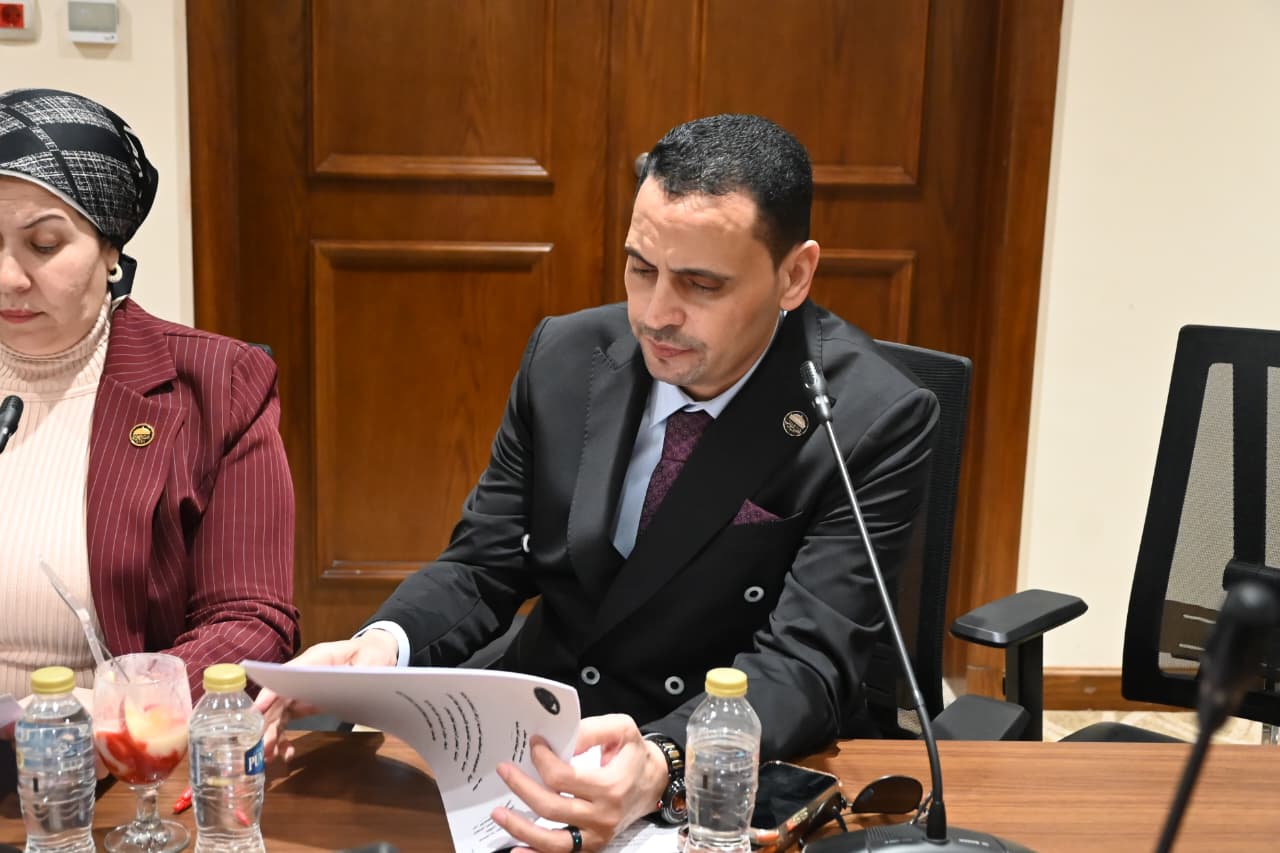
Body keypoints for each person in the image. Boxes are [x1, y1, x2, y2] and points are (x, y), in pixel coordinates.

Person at [258, 114, 938, 851]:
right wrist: (380, 650)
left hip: (703, 757)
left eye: (701, 284)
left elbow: (807, 662)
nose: (656, 314)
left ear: (794, 276)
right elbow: (486, 563)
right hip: (532, 732)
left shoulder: (867, 416)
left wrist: (665, 760)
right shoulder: (566, 354)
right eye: (641, 269)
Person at [0, 88, 300, 710]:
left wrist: (125, 709)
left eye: (45, 245)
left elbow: (250, 619)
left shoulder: (215, 385)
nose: (9, 277)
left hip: (115, 749)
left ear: (111, 249)